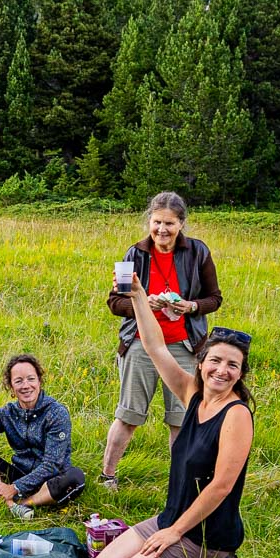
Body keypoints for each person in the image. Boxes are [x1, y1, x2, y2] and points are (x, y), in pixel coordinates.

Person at [91, 274, 253, 558]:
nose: (222, 370)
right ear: (201, 363)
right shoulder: (193, 393)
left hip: (206, 534)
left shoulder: (236, 414)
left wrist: (174, 533)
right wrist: (137, 294)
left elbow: (221, 486)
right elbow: (154, 347)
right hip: (172, 516)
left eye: (232, 365)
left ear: (241, 372)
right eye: (216, 361)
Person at [99, 192, 223, 491]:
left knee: (180, 419)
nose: (162, 230)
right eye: (157, 222)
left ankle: (178, 483)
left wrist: (191, 306)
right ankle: (107, 476)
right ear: (149, 221)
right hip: (140, 344)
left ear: (181, 224)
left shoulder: (198, 252)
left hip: (184, 345)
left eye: (169, 223)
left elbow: (214, 298)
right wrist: (143, 305)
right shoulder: (136, 254)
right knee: (129, 414)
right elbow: (114, 303)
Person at [0, 354, 85, 519]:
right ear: (11, 388)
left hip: (50, 479)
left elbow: (52, 465)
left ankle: (23, 504)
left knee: (75, 477)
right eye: (18, 381)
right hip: (20, 473)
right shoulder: (7, 413)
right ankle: (8, 503)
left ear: (39, 382)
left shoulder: (56, 413)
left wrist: (14, 488)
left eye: (31, 379)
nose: (26, 386)